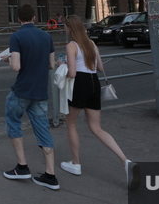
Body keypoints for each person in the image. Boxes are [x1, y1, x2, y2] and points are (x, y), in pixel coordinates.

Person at [60, 15, 140, 190]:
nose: (64, 29)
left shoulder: (71, 46)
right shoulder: (91, 44)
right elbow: (101, 68)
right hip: (94, 83)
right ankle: (125, 161)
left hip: (80, 84)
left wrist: (62, 66)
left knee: (71, 124)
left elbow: (72, 73)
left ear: (70, 28)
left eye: (65, 26)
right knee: (97, 128)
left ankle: (75, 163)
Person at [1, 4, 59, 190]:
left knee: (13, 122)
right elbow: (51, 65)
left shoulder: (17, 36)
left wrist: (7, 59)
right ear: (34, 18)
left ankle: (22, 167)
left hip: (22, 91)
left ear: (19, 19)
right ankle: (50, 175)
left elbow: (16, 67)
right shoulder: (46, 36)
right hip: (40, 92)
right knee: (43, 129)